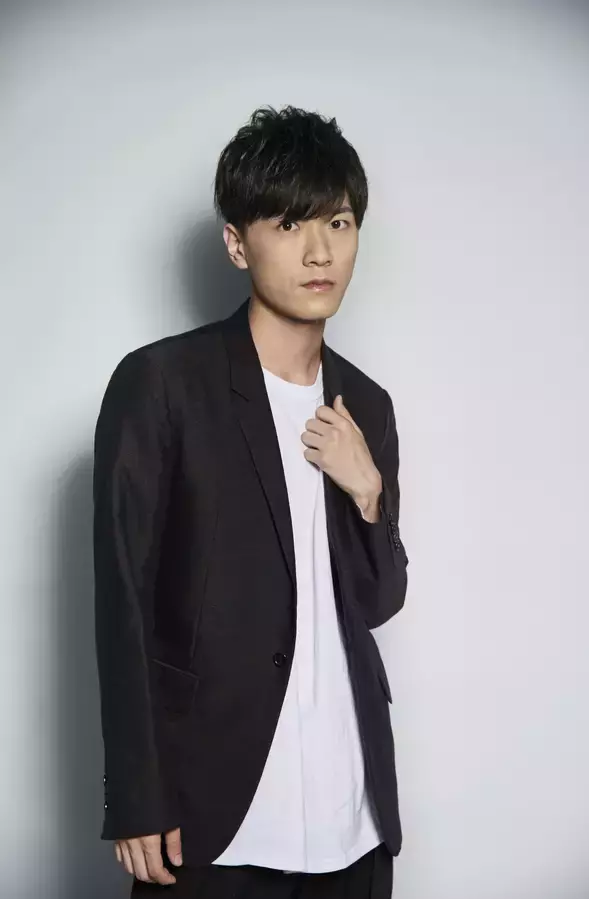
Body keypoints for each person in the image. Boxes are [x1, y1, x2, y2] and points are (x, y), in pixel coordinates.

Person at [93, 105, 409, 898]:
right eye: (289, 222)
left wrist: (368, 491)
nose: (320, 250)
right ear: (237, 243)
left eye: (338, 222)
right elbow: (123, 597)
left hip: (352, 808)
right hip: (213, 807)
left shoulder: (367, 406)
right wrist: (136, 794)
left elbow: (378, 601)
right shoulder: (162, 384)